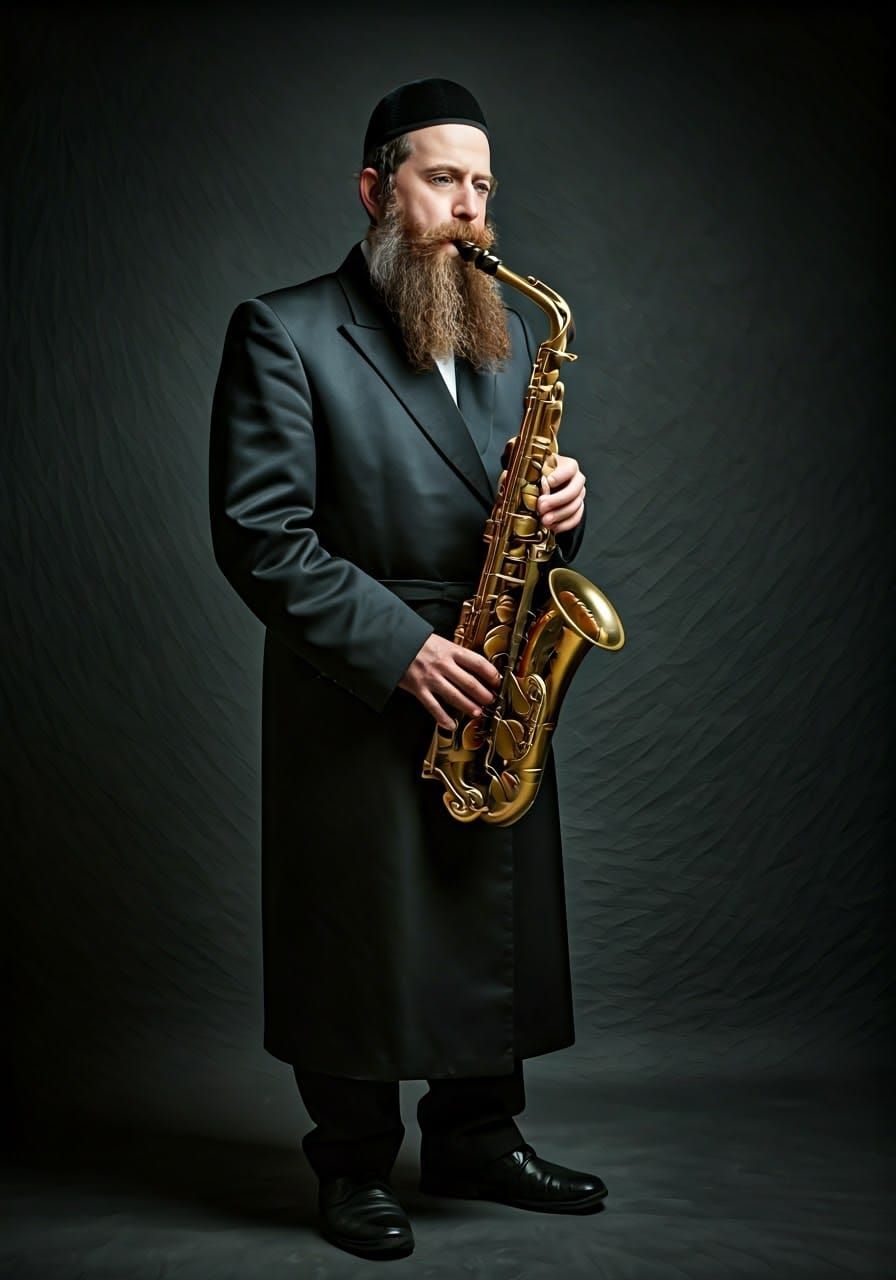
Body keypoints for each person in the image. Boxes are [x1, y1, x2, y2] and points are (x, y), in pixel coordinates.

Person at [208, 77, 606, 1261]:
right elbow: (259, 536)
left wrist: (562, 510)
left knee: (484, 899)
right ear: (375, 189)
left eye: (481, 184)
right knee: (358, 926)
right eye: (442, 179)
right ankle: (350, 1162)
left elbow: (505, 514)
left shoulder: (508, 335)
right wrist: (398, 649)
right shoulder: (281, 329)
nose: (469, 207)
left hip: (489, 663)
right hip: (359, 674)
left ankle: (476, 1134)